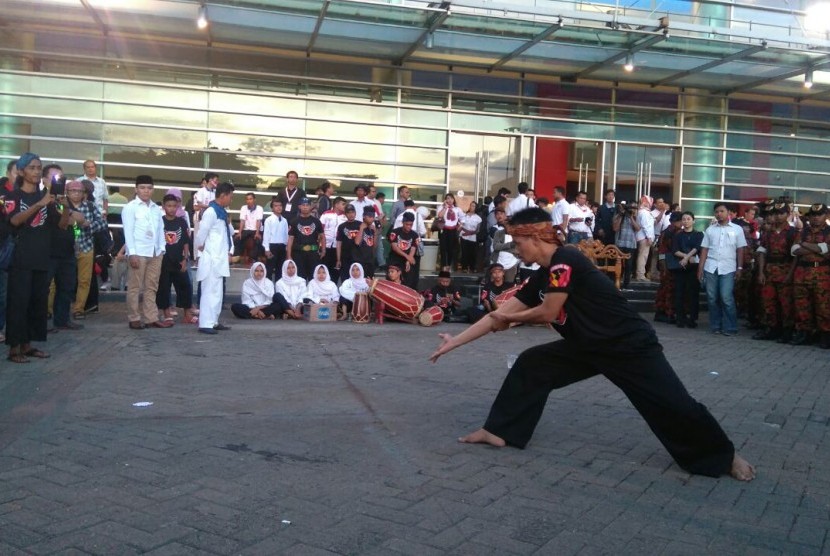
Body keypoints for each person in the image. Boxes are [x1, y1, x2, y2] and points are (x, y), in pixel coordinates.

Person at [429, 207, 755, 482]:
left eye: (518, 241)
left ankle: (723, 457)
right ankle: (500, 431)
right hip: (587, 346)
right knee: (533, 364)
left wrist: (510, 320)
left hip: (627, 345)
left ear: (534, 236)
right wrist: (453, 343)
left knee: (673, 403)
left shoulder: (565, 259)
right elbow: (499, 314)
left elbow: (548, 311)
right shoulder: (543, 275)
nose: (516, 249)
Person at [4, 153, 59, 362]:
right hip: (21, 258)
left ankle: (28, 345)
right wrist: (39, 204)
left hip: (41, 256)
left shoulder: (46, 196)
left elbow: (61, 224)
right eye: (32, 168)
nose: (36, 172)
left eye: (39, 168)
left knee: (36, 303)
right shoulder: (13, 197)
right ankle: (14, 349)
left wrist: (61, 206)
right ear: (21, 171)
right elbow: (15, 220)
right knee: (19, 303)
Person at [122, 175, 172, 330]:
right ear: (136, 189)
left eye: (149, 188)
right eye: (142, 188)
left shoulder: (155, 208)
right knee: (135, 287)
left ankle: (151, 317)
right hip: (139, 252)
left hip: (155, 252)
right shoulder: (130, 207)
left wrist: (161, 249)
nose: (146, 191)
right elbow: (128, 232)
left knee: (152, 287)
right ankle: (134, 318)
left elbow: (160, 230)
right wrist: (132, 253)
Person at [697, 202, 747, 336]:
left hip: (729, 268)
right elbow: (704, 250)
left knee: (726, 298)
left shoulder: (737, 229)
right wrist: (700, 269)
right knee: (712, 298)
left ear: (728, 212)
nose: (719, 214)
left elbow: (740, 250)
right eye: (716, 212)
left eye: (721, 211)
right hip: (711, 267)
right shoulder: (710, 229)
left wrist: (740, 267)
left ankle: (730, 327)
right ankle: (715, 326)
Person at [752, 202, 796, 342]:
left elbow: (795, 257)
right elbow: (762, 252)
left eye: (781, 213)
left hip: (785, 270)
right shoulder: (768, 232)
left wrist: (790, 275)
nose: (777, 216)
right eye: (775, 213)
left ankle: (787, 331)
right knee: (768, 301)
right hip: (769, 271)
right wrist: (761, 272)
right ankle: (771, 329)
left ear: (788, 215)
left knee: (785, 303)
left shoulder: (793, 232)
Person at [195, 181, 235, 335]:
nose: (231, 200)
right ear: (223, 195)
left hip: (220, 258)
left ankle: (214, 321)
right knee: (209, 291)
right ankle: (205, 323)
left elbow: (230, 232)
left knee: (217, 292)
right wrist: (201, 246)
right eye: (230, 197)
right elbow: (201, 234)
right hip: (212, 258)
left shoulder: (222, 212)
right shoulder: (211, 212)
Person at [64, 180, 107, 320]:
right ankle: (52, 309)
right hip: (65, 248)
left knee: (84, 280)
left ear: (84, 193)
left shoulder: (90, 206)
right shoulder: (62, 205)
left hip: (86, 245)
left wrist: (88, 226)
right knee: (59, 280)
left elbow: (102, 223)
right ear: (67, 192)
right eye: (73, 191)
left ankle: (79, 308)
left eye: (79, 191)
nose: (76, 193)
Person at [791, 203, 830, 348]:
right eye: (813, 215)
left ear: (826, 215)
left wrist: (805, 245)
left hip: (822, 274)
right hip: (802, 272)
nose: (815, 218)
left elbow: (827, 252)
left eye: (819, 215)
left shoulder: (828, 232)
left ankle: (825, 335)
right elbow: (794, 250)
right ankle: (804, 333)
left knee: (823, 306)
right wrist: (818, 248)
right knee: (802, 305)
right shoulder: (803, 232)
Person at [157, 194, 196, 324]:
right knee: (164, 287)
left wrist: (185, 258)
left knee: (185, 286)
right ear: (163, 207)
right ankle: (167, 313)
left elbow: (185, 242)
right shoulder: (159, 221)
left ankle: (187, 314)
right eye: (169, 206)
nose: (172, 209)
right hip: (164, 260)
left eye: (174, 206)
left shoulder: (181, 221)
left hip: (179, 260)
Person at [670, 211, 703, 329]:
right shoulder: (678, 235)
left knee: (693, 293)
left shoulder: (699, 234)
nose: (686, 221)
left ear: (693, 221)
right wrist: (686, 258)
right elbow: (674, 250)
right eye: (684, 219)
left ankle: (692, 319)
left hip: (693, 268)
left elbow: (697, 248)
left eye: (688, 219)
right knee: (679, 293)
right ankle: (680, 318)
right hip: (680, 267)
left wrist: (687, 258)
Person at [286, 197, 325, 281]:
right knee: (300, 278)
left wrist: (323, 250)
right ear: (299, 207)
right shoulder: (294, 221)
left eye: (307, 205)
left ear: (310, 207)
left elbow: (322, 236)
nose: (305, 207)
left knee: (314, 277)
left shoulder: (316, 221)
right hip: (298, 253)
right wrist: (289, 255)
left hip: (313, 253)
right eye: (303, 205)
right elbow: (290, 239)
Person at [654, 212, 682, 324]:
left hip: (667, 264)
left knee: (665, 289)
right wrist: (663, 266)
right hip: (669, 265)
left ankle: (662, 312)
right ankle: (667, 313)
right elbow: (662, 250)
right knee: (668, 289)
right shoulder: (672, 232)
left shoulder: (667, 232)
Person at [387, 212, 421, 290]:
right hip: (395, 260)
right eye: (407, 224)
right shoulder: (395, 232)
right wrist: (407, 257)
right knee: (392, 281)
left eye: (411, 225)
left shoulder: (414, 235)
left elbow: (413, 248)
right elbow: (394, 247)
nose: (409, 227)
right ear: (402, 222)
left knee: (408, 281)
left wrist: (409, 260)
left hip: (406, 261)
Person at [262, 197, 289, 281]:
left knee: (280, 270)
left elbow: (286, 235)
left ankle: (278, 289)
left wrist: (287, 247)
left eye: (280, 205)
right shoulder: (268, 220)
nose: (278, 207)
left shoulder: (284, 220)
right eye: (276, 206)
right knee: (269, 269)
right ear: (272, 208)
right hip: (272, 246)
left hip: (282, 247)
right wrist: (267, 249)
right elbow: (266, 235)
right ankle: (269, 289)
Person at [320, 196, 346, 280]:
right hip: (325, 246)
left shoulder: (345, 217)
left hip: (338, 248)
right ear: (336, 204)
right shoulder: (326, 214)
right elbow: (320, 230)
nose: (344, 206)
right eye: (343, 204)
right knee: (324, 269)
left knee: (336, 271)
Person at [491, 209, 519, 284]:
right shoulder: (498, 233)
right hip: (498, 263)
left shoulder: (516, 235)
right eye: (506, 224)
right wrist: (509, 245)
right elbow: (495, 247)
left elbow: (517, 250)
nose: (508, 226)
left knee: (508, 285)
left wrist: (502, 248)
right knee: (495, 284)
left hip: (511, 265)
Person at [436, 193, 463, 271]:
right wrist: (445, 208)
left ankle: (449, 265)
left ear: (453, 199)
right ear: (445, 200)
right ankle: (444, 265)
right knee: (443, 248)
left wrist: (460, 226)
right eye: (447, 198)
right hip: (443, 230)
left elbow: (463, 218)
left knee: (451, 249)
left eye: (451, 198)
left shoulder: (457, 209)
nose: (449, 200)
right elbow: (440, 216)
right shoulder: (441, 207)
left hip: (453, 230)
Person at [235, 192, 263, 264]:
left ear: (254, 200)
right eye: (247, 199)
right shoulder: (243, 208)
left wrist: (257, 233)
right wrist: (240, 232)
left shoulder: (259, 208)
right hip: (247, 229)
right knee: (237, 238)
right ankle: (237, 257)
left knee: (258, 240)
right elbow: (242, 221)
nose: (249, 201)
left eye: (250, 199)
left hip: (256, 229)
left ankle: (254, 258)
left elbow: (258, 221)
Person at [336, 204, 361, 283]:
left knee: (358, 279)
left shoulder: (361, 225)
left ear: (355, 213)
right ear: (345, 214)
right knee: (345, 280)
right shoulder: (341, 226)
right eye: (348, 212)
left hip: (359, 256)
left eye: (352, 212)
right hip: (345, 257)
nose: (351, 214)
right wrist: (338, 259)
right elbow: (339, 243)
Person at [634, 196, 656, 281]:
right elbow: (646, 226)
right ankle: (640, 275)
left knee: (643, 256)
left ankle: (640, 274)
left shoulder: (643, 211)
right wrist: (649, 237)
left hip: (644, 237)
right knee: (643, 256)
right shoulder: (644, 212)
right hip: (645, 238)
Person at [353, 205, 377, 278]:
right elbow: (357, 242)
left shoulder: (372, 229)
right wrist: (361, 229)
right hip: (360, 260)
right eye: (369, 217)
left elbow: (374, 246)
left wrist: (376, 233)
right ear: (364, 216)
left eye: (373, 217)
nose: (372, 219)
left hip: (369, 260)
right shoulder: (357, 226)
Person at [459, 201, 481, 273]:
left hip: (472, 236)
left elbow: (478, 229)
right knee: (464, 252)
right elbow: (461, 225)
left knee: (472, 252)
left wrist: (471, 232)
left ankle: (472, 267)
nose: (472, 207)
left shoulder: (478, 218)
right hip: (464, 235)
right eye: (471, 205)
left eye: (473, 206)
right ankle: (464, 267)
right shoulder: (465, 216)